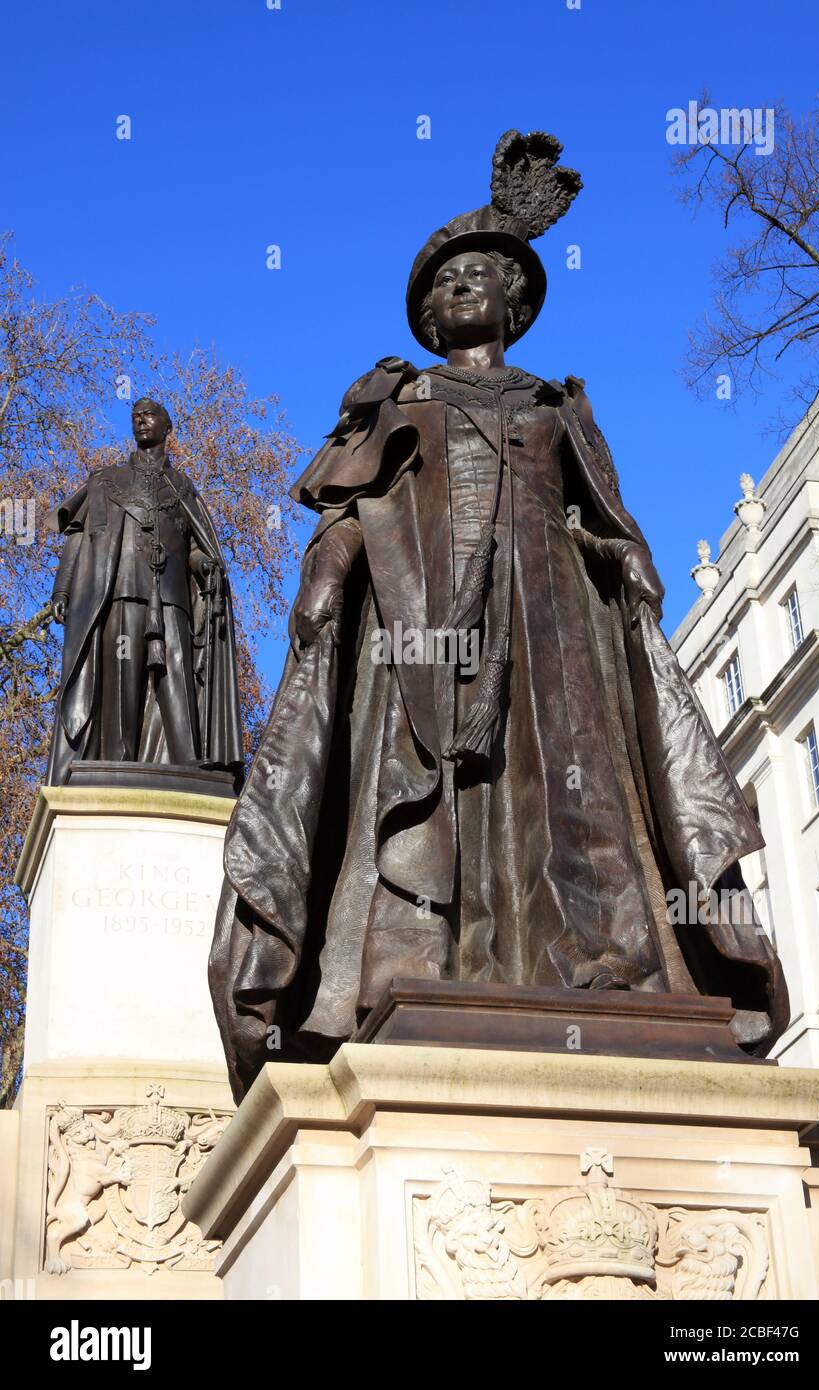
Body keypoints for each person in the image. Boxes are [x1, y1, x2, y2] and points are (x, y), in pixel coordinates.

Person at [210, 131, 788, 1101]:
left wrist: (627, 560)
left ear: (516, 302)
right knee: (435, 785)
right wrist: (327, 575)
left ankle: (591, 963)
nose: (461, 289)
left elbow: (596, 512)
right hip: (422, 617)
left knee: (561, 793)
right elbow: (355, 504)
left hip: (556, 615)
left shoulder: (556, 407)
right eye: (444, 282)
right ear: (427, 315)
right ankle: (423, 965)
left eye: (481, 276)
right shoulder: (404, 397)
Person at [47, 397, 243, 785]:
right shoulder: (106, 480)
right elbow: (76, 536)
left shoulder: (182, 487)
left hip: (172, 599)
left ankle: (188, 762)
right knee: (123, 676)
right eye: (136, 415)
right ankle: (119, 760)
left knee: (176, 676)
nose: (140, 420)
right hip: (120, 592)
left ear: (168, 428)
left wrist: (207, 566)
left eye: (149, 415)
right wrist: (63, 589)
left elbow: (194, 549)